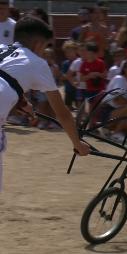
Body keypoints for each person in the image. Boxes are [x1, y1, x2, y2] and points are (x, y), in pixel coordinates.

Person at [0, 16, 90, 191]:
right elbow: (62, 113)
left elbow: (6, 77)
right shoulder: (38, 64)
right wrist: (77, 144)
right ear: (39, 45)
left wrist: (20, 101)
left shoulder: (2, 48)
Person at [103, 58, 127, 142]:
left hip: (118, 113)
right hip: (108, 113)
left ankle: (115, 131)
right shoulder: (119, 79)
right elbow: (117, 100)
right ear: (124, 68)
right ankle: (115, 133)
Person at [61, 40, 79, 110]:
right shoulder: (65, 63)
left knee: (79, 107)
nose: (68, 54)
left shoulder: (80, 62)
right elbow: (62, 77)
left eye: (70, 52)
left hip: (78, 89)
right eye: (66, 52)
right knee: (68, 107)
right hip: (68, 89)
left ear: (76, 51)